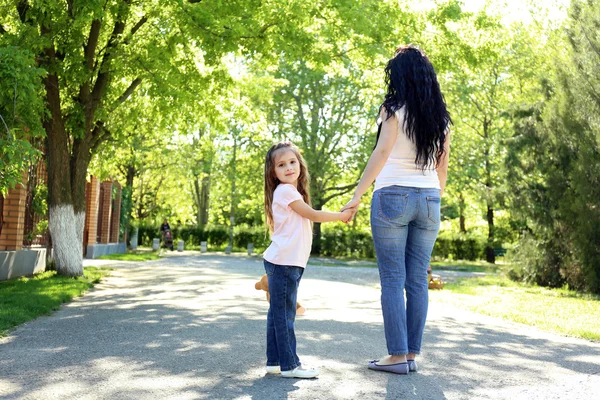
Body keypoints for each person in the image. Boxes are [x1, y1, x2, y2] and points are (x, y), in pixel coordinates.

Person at [341, 45, 451, 375]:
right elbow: (443, 166)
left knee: (392, 279)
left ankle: (397, 355)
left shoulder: (393, 109)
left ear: (398, 76)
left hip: (393, 195)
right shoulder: (441, 118)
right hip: (430, 197)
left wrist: (357, 193)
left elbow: (382, 151)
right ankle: (412, 354)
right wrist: (434, 199)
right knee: (417, 279)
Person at [262, 141, 353, 379]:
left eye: (292, 162)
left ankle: (275, 361)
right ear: (273, 171)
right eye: (281, 165)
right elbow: (312, 215)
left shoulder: (290, 192)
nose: (289, 167)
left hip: (285, 262)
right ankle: (290, 365)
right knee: (284, 315)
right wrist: (342, 216)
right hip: (284, 263)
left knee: (277, 314)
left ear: (299, 164)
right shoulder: (286, 191)